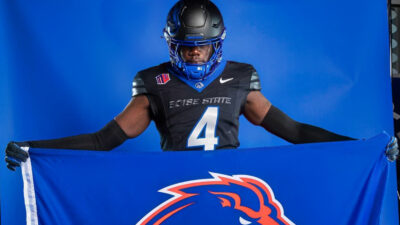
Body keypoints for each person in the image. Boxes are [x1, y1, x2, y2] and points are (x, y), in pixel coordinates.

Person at [5, 0, 398, 171]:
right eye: (187, 48)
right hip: (172, 182)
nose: (195, 55)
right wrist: (35, 149)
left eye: (202, 47)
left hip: (232, 180)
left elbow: (293, 131)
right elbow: (102, 140)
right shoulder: (154, 81)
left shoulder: (241, 77)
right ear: (172, 45)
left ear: (218, 43)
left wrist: (361, 148)